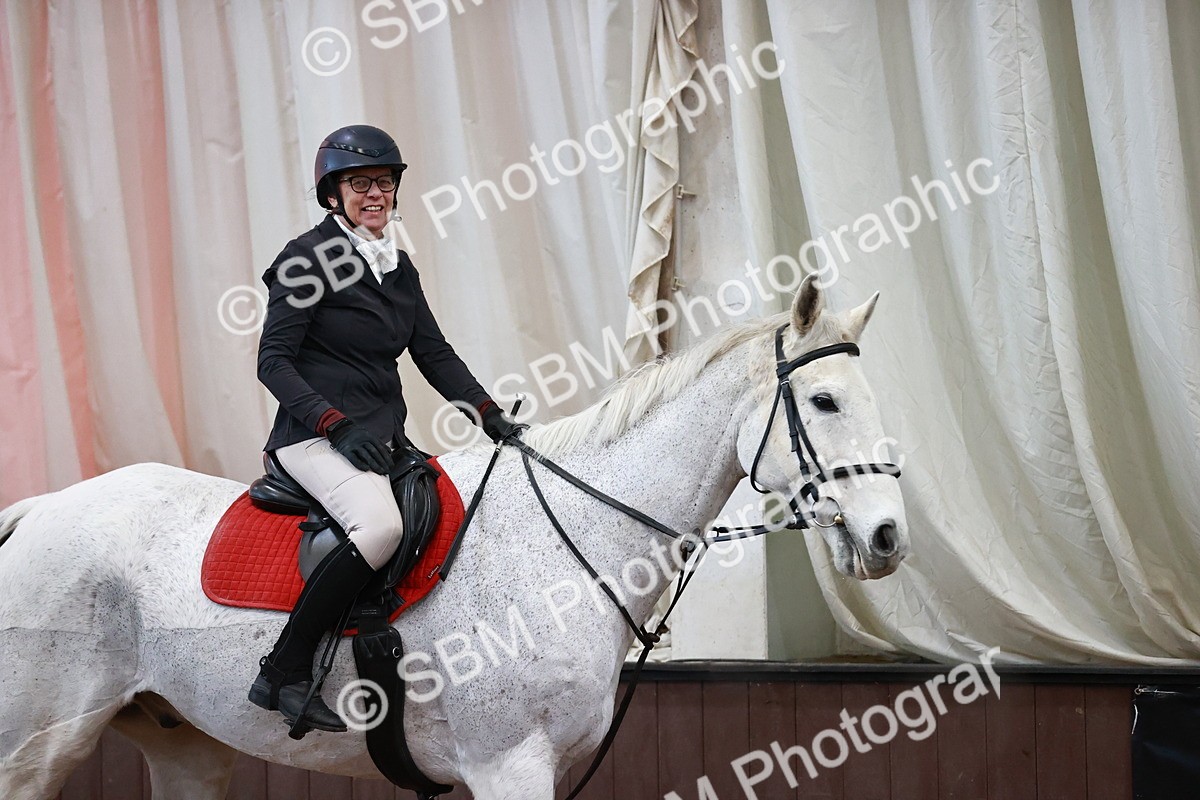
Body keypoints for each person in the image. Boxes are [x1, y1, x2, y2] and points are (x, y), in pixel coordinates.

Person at [247, 124, 520, 732]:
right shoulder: (304, 260)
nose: (376, 193)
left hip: (380, 438)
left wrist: (486, 412)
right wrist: (334, 425)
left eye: (385, 183)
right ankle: (282, 671)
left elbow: (433, 352)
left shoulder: (396, 267)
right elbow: (273, 362)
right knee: (379, 528)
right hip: (313, 437)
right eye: (360, 183)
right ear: (332, 194)